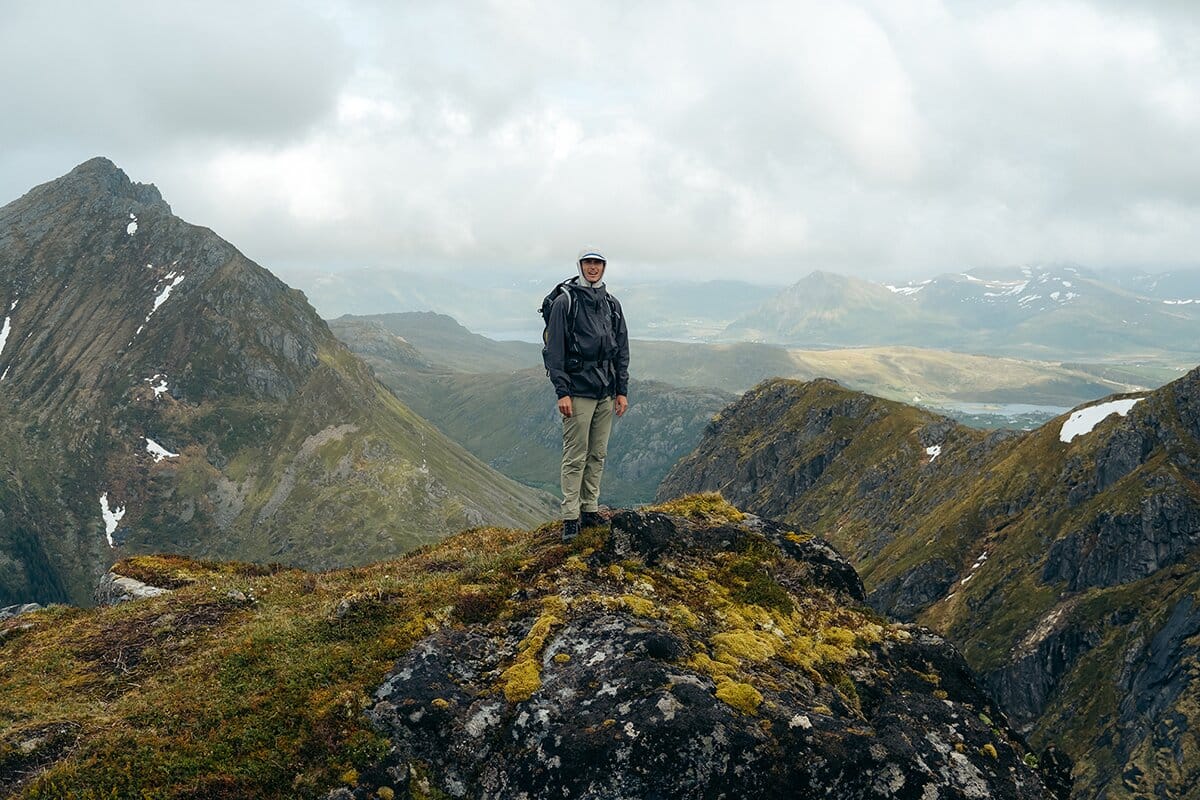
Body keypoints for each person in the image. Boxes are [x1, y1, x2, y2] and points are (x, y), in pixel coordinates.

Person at [542, 248, 630, 542]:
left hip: (605, 391)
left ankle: (590, 509)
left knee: (597, 453)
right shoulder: (565, 302)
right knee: (575, 455)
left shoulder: (611, 304)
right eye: (588, 262)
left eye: (598, 263)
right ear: (580, 265)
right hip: (578, 391)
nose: (593, 267)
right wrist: (562, 392)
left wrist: (621, 391)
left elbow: (621, 350)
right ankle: (571, 517)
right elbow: (554, 351)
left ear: (604, 267)